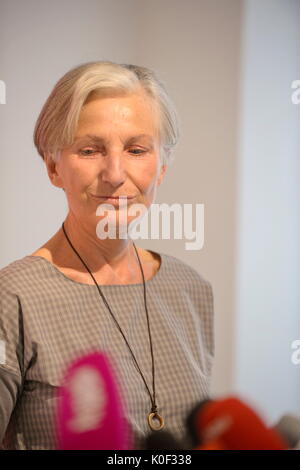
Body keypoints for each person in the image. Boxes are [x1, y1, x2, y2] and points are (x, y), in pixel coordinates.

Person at [0, 61, 214, 450]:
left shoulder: (191, 288)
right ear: (53, 166)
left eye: (136, 149)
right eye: (89, 149)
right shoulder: (13, 297)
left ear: (162, 166)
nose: (115, 173)